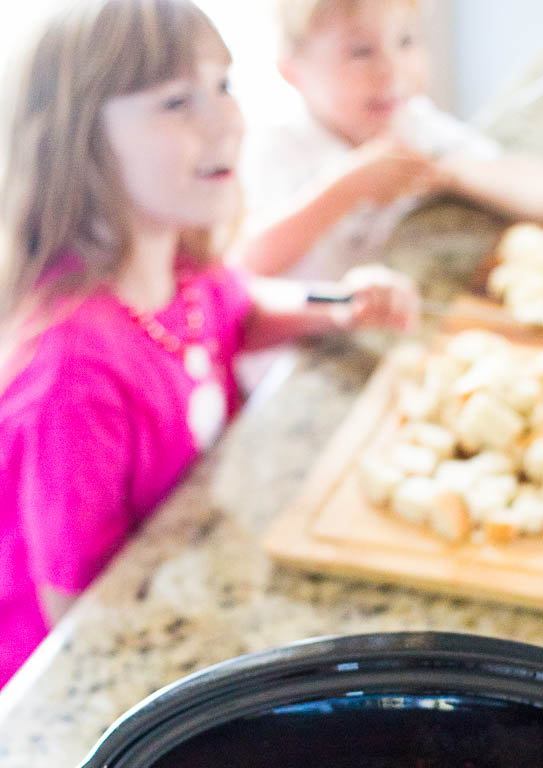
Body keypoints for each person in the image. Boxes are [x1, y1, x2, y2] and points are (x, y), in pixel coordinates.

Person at [0, 0, 420, 689]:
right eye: (176, 102)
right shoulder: (71, 378)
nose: (226, 119)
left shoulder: (177, 265)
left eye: (223, 87)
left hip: (190, 576)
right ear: (79, 143)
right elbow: (77, 616)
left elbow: (235, 310)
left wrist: (336, 306)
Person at [239, 0, 543, 281]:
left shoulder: (414, 124)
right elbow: (245, 265)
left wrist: (453, 173)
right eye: (360, 51)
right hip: (311, 346)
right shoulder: (277, 146)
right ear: (293, 72)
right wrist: (346, 188)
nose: (391, 69)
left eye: (406, 41)